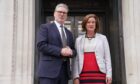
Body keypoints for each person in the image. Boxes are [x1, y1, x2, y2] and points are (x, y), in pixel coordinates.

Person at [37, 3, 76, 84]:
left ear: (66, 15)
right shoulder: (45, 27)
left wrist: (71, 52)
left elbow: (73, 50)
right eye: (59, 12)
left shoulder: (69, 33)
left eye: (64, 13)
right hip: (48, 72)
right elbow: (41, 45)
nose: (62, 14)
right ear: (54, 13)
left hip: (64, 73)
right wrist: (60, 51)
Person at [72, 14, 112, 84]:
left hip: (100, 74)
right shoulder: (78, 40)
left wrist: (109, 74)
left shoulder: (103, 38)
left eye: (93, 22)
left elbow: (107, 58)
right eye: (88, 22)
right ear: (85, 24)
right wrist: (75, 76)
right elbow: (76, 60)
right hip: (83, 75)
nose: (91, 24)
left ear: (96, 24)